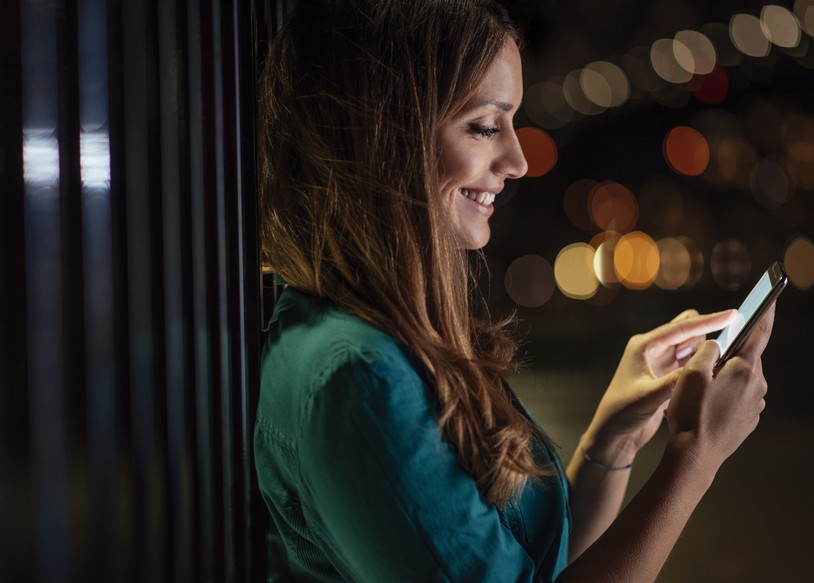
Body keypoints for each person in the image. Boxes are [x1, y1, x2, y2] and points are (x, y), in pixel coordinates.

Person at [254, 1, 775, 581]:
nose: (519, 160)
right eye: (484, 125)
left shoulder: (368, 336)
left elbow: (533, 563)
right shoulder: (359, 380)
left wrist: (613, 441)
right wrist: (696, 455)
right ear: (383, 139)